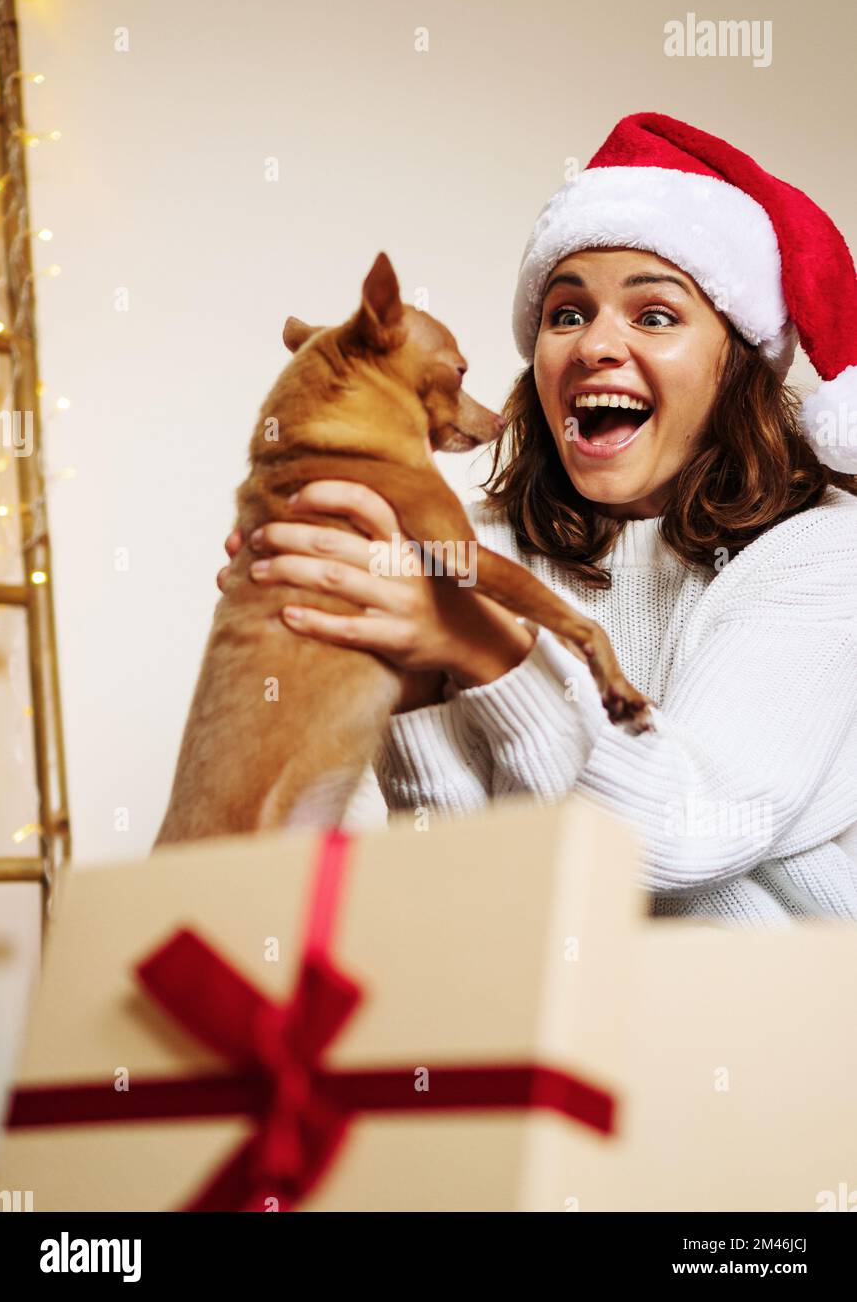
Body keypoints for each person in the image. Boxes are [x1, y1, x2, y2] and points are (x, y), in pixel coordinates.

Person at [220, 112, 857, 926]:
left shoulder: (822, 551)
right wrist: (410, 682)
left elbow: (678, 840)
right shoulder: (475, 546)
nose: (593, 345)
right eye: (566, 313)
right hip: (540, 1017)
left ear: (736, 364)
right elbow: (467, 895)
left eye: (653, 315)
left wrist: (480, 647)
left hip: (769, 1025)